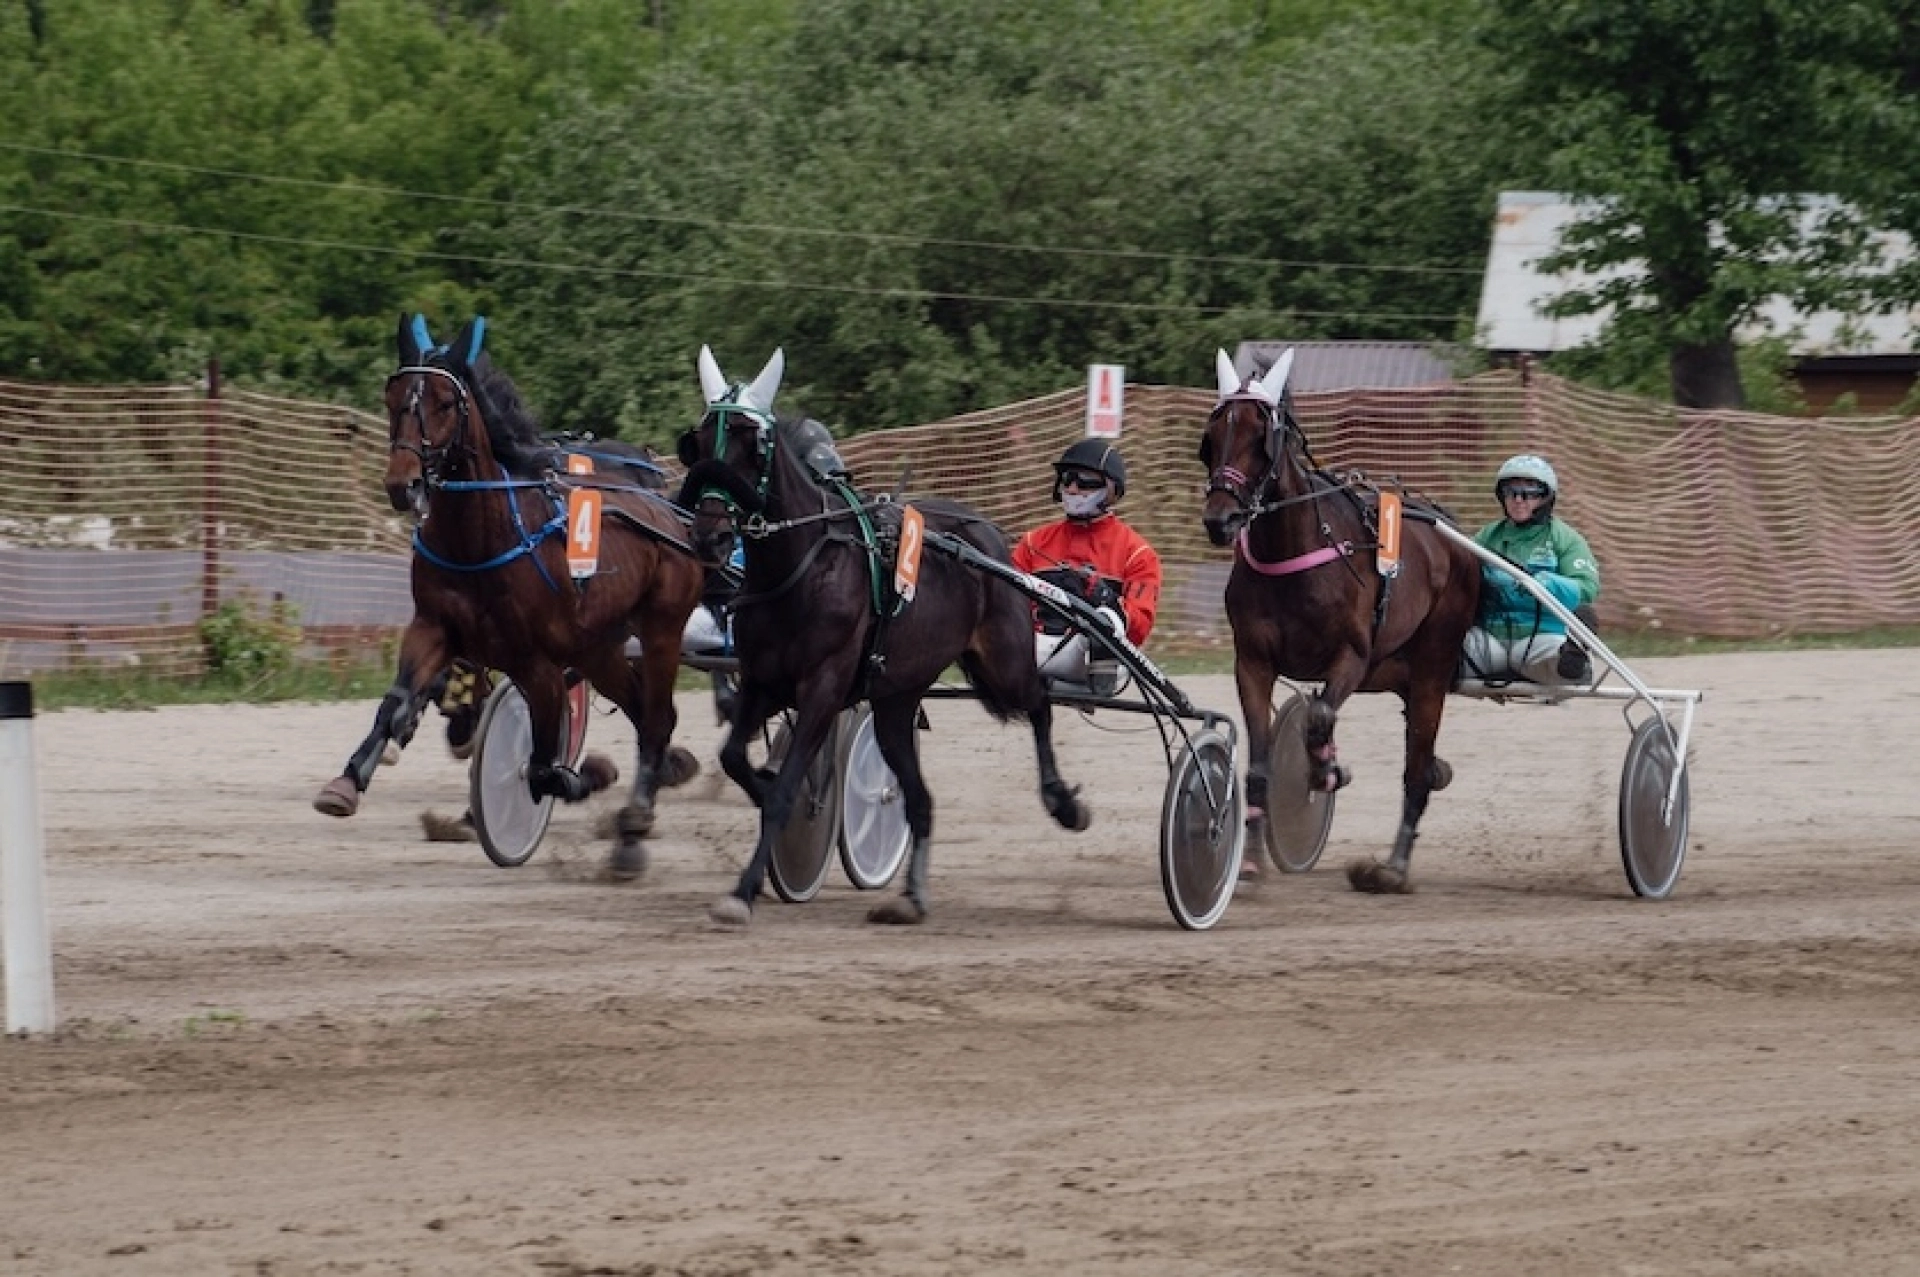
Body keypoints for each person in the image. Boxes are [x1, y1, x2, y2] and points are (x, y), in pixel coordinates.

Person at [1011, 439, 1162, 695]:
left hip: (1091, 655)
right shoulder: (1032, 542)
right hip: (1030, 646)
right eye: (1067, 479)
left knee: (1106, 621)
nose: (1072, 488)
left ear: (1111, 490)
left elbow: (1139, 627)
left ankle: (1095, 681)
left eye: (1084, 481)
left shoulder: (1138, 554)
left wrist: (1105, 597)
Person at [1462, 454, 1601, 686]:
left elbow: (1587, 587)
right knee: (1442, 653)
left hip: (1541, 637)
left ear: (1546, 498)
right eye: (1511, 492)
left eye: (1529, 493)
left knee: (1539, 660)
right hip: (1490, 638)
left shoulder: (1565, 538)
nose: (1518, 500)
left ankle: (1572, 660)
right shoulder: (1487, 536)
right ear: (1502, 496)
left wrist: (1539, 582)